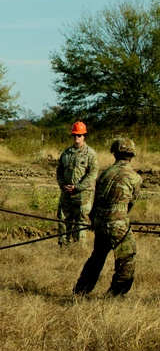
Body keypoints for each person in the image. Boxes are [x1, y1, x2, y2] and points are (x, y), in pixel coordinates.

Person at [73, 138, 142, 297]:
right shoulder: (135, 178)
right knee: (127, 258)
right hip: (117, 223)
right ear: (131, 155)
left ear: (114, 154)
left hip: (99, 221)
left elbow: (95, 201)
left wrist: (95, 220)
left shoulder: (105, 175)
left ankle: (81, 289)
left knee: (98, 255)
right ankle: (114, 295)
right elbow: (129, 205)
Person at [56, 121, 98, 248]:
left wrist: (78, 187)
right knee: (63, 220)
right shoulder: (66, 153)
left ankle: (79, 249)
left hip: (82, 194)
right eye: (74, 135)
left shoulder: (91, 154)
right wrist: (63, 185)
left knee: (81, 221)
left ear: (84, 136)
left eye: (79, 135)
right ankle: (63, 246)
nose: (76, 138)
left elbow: (92, 175)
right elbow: (59, 171)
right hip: (66, 193)